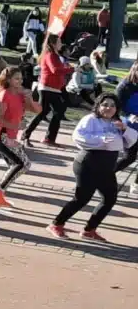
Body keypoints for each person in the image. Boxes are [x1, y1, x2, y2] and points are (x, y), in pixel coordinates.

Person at [48, 93, 135, 241]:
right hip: (88, 164)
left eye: (112, 105)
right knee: (82, 198)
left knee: (110, 198)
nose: (108, 108)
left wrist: (125, 129)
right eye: (105, 104)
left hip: (106, 167)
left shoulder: (117, 122)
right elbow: (78, 136)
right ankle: (56, 224)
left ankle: (89, 230)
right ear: (98, 105)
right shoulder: (90, 119)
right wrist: (101, 140)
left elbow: (131, 141)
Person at [0, 66, 42, 208]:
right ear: (8, 80)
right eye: (16, 78)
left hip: (9, 136)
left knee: (16, 165)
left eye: (21, 78)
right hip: (0, 136)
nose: (20, 81)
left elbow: (37, 110)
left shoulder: (19, 94)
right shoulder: (5, 94)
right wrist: (16, 126)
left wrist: (29, 98)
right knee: (22, 164)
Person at [23, 34, 73, 147]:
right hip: (47, 88)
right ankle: (26, 135)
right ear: (53, 44)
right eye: (59, 42)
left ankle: (49, 138)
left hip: (54, 89)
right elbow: (55, 70)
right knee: (43, 113)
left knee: (56, 112)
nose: (61, 44)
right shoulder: (50, 55)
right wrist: (71, 69)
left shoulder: (55, 55)